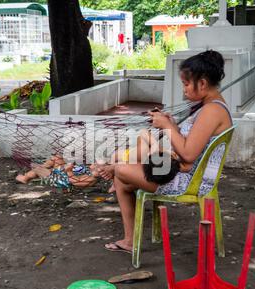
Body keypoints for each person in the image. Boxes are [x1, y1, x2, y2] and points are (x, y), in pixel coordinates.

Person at [99, 50, 233, 254]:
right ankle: (129, 240)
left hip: (189, 181)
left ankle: (130, 240)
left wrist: (168, 128)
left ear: (203, 83)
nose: (184, 90)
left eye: (187, 84)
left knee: (119, 169)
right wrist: (171, 125)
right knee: (121, 178)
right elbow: (190, 144)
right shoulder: (208, 107)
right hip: (186, 173)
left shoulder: (212, 111)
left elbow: (188, 155)